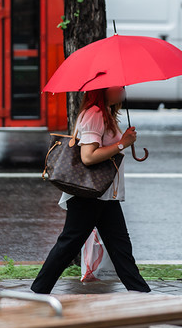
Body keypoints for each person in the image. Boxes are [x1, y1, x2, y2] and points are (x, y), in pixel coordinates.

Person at [31, 86, 151, 294]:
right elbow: (88, 156)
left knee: (120, 246)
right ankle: (39, 290)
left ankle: (140, 291)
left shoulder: (106, 113)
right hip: (89, 194)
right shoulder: (95, 114)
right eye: (117, 86)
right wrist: (122, 144)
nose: (122, 89)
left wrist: (123, 141)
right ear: (103, 90)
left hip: (103, 194)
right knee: (69, 244)